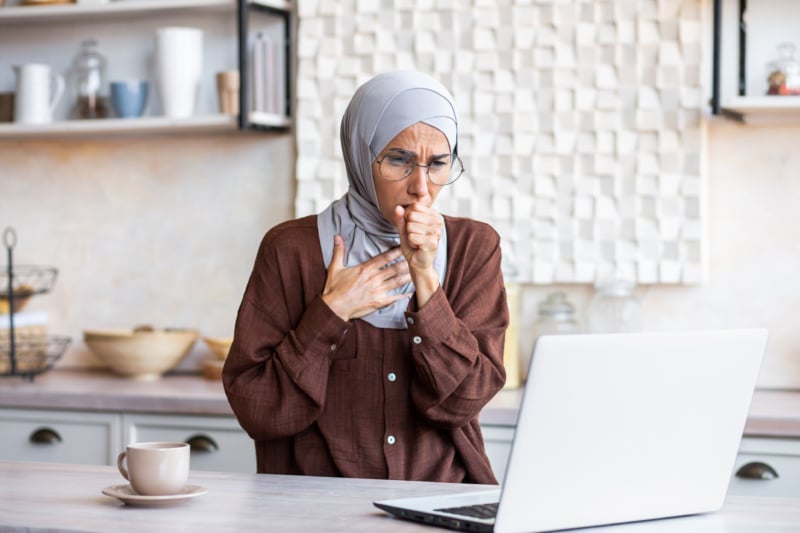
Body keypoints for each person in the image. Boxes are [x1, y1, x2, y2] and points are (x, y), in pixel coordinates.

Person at [223, 70, 508, 484]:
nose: (421, 188)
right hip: (315, 509)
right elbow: (260, 411)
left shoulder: (474, 248)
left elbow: (463, 402)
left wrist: (426, 278)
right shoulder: (290, 250)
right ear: (361, 154)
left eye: (438, 164)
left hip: (444, 501)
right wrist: (331, 312)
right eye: (399, 160)